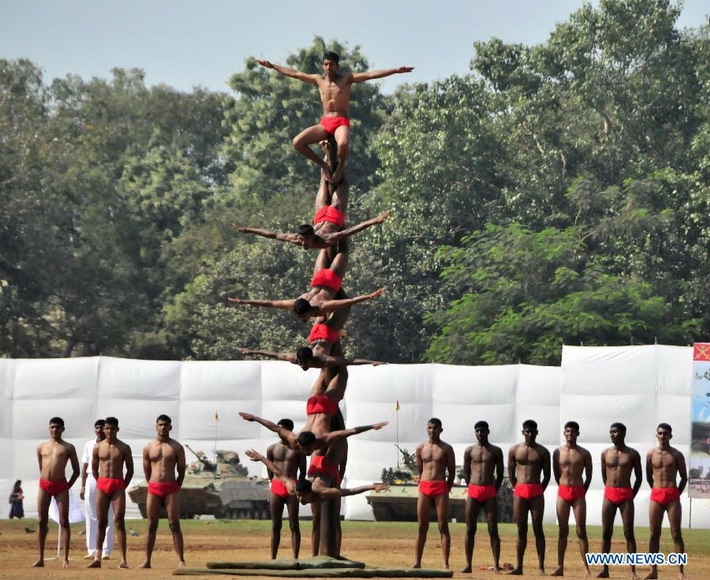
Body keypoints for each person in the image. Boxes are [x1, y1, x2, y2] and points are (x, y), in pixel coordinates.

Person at [257, 51, 413, 184]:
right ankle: (324, 165)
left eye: (331, 64)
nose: (328, 68)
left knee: (343, 143)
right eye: (325, 64)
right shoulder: (318, 80)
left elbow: (370, 75)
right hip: (325, 123)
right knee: (297, 142)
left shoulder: (346, 79)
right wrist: (272, 66)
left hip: (340, 121)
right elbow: (296, 74)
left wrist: (395, 70)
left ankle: (339, 168)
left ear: (337, 66)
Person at [139, 414, 187, 569]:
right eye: (160, 425)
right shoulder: (149, 447)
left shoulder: (176, 447)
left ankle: (181, 560)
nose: (163, 427)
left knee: (174, 524)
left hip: (171, 488)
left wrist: (176, 486)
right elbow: (146, 469)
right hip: (154, 487)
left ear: (170, 427)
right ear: (156, 426)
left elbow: (181, 470)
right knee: (151, 524)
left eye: (166, 425)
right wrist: (152, 483)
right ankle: (147, 560)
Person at [597, 422, 642, 579]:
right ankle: (605, 569)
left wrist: (631, 494)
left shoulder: (632, 454)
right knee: (606, 533)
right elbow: (604, 474)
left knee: (628, 533)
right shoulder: (605, 453)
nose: (612, 434)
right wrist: (610, 488)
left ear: (623, 433)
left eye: (615, 432)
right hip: (609, 493)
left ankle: (632, 571)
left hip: (626, 494)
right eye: (610, 432)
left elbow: (639, 477)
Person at [33, 417, 80, 568]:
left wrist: (67, 486)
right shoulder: (41, 447)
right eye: (52, 427)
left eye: (58, 427)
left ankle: (65, 559)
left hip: (61, 486)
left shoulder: (68, 447)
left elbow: (76, 470)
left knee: (64, 521)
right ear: (49, 428)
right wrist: (46, 480)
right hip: (44, 485)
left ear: (63, 429)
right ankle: (40, 558)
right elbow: (42, 468)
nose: (55, 430)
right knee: (42, 521)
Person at [88, 416, 134, 569]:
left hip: (117, 485)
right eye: (107, 428)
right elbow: (94, 468)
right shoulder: (98, 447)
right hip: (102, 485)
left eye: (112, 428)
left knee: (119, 521)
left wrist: (122, 485)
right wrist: (100, 481)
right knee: (101, 522)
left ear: (117, 429)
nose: (109, 431)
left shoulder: (124, 447)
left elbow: (130, 469)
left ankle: (123, 559)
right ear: (103, 429)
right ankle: (97, 557)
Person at [508, 419, 551, 576]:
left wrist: (539, 489)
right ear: (523, 432)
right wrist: (517, 487)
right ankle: (519, 566)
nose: (530, 434)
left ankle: (540, 567)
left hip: (536, 491)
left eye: (533, 432)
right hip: (520, 489)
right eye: (527, 431)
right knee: (521, 529)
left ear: (537, 432)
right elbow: (511, 472)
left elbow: (547, 475)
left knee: (538, 528)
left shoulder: (543, 452)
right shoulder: (514, 450)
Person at [645, 423, 687, 580]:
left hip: (672, 495)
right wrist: (655, 489)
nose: (662, 436)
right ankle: (653, 571)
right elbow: (649, 476)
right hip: (656, 494)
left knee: (676, 533)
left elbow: (684, 477)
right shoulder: (651, 454)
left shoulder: (677, 455)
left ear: (670, 436)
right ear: (657, 435)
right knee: (654, 534)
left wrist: (677, 493)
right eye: (660, 433)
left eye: (665, 433)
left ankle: (680, 572)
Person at [412, 418, 456, 570]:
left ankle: (445, 562)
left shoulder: (447, 449)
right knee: (422, 527)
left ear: (441, 430)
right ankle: (417, 562)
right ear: (426, 429)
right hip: (424, 487)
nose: (432, 431)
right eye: (430, 428)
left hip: (440, 488)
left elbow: (451, 472)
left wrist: (446, 488)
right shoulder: (420, 448)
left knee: (443, 525)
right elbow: (420, 469)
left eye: (435, 428)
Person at [551, 421, 593, 578]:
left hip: (578, 493)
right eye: (568, 431)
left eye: (573, 431)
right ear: (564, 433)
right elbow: (556, 474)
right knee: (563, 530)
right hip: (563, 491)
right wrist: (563, 486)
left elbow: (588, 475)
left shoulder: (584, 453)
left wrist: (582, 490)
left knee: (581, 530)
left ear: (578, 434)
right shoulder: (557, 452)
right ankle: (559, 566)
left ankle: (586, 568)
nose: (570, 434)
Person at [461, 421, 504, 574]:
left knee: (493, 529)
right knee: (470, 528)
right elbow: (466, 471)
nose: (479, 433)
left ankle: (496, 564)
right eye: (477, 431)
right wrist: (471, 485)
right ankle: (468, 564)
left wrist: (494, 488)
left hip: (489, 491)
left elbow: (500, 473)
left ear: (488, 431)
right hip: (473, 490)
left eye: (482, 431)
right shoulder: (469, 450)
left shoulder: (496, 451)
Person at [265, 418, 306, 560]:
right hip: (276, 486)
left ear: (289, 430)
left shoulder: (298, 449)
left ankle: (295, 558)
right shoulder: (271, 448)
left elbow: (303, 470)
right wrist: (273, 482)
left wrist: (298, 487)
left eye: (282, 429)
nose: (279, 432)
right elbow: (269, 468)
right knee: (276, 524)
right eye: (278, 429)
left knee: (294, 524)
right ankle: (273, 558)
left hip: (292, 486)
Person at [229, 288, 384, 323]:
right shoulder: (294, 304)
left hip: (329, 282)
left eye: (303, 316)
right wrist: (244, 301)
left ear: (310, 310)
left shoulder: (322, 307)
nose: (301, 319)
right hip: (317, 282)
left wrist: (369, 296)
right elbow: (269, 303)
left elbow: (348, 301)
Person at [80, 419, 113, 560]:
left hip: (107, 478)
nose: (99, 430)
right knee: (91, 514)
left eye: (102, 428)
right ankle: (92, 549)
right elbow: (85, 466)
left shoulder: (112, 445)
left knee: (108, 516)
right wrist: (82, 485)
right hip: (92, 480)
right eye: (97, 428)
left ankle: (105, 550)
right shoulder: (89, 445)